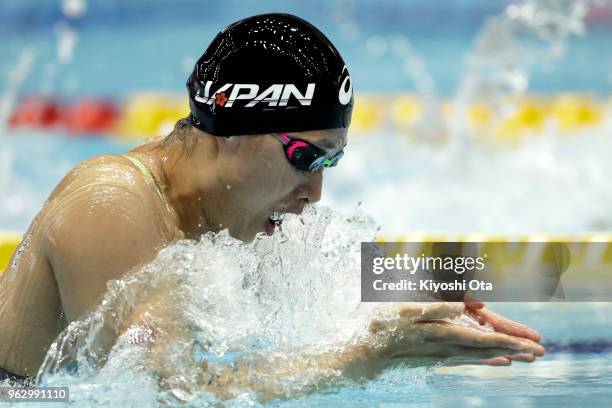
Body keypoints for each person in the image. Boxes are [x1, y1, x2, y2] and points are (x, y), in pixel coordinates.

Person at [0, 13, 543, 398]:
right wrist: (371, 358)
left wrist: (426, 299)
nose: (315, 193)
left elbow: (323, 283)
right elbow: (169, 391)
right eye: (305, 157)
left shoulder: (235, 214)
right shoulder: (111, 201)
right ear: (234, 129)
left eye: (329, 163)